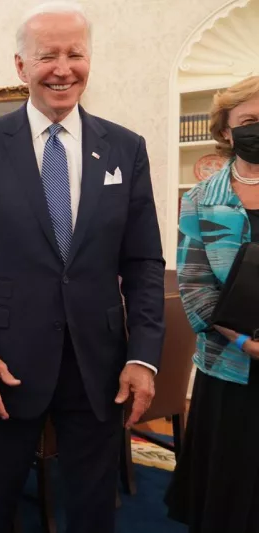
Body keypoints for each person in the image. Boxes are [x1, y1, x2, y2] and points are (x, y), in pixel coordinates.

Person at [0, 2, 165, 532]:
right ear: (21, 67)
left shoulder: (126, 149)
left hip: (99, 365)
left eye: (75, 54)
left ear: (90, 60)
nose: (63, 68)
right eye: (47, 56)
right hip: (5, 365)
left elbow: (144, 263)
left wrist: (145, 358)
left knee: (92, 508)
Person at [165, 75, 259, 533]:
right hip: (228, 367)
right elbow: (196, 287)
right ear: (226, 130)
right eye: (251, 121)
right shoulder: (201, 199)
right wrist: (246, 341)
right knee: (229, 497)